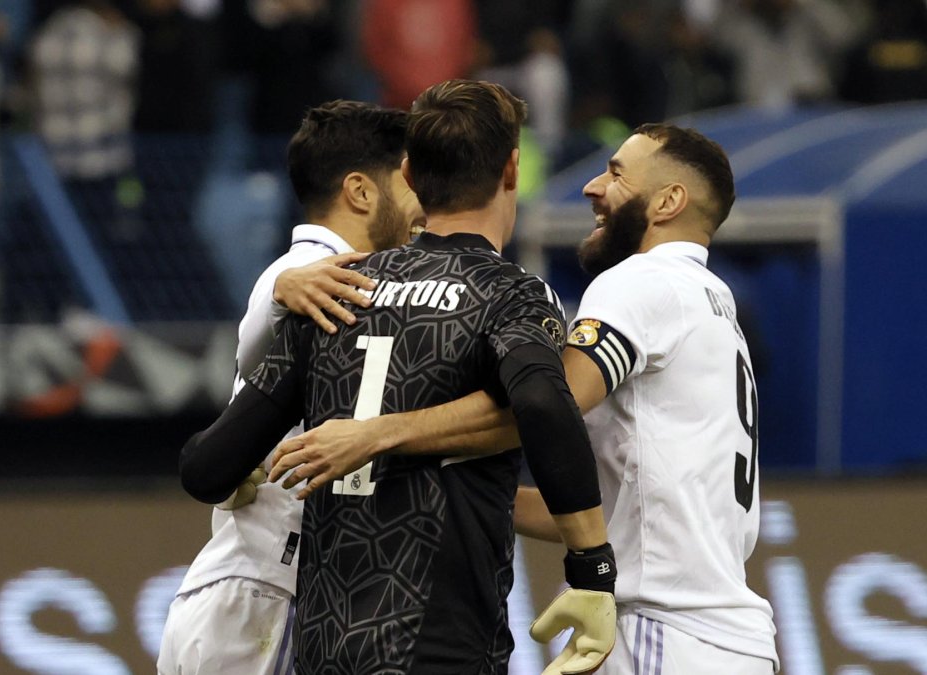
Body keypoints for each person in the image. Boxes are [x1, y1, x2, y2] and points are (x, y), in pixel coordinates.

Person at [272, 123, 780, 673]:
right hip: (723, 635)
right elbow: (621, 509)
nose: (591, 187)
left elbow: (544, 408)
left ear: (668, 201)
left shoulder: (640, 281)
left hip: (664, 628)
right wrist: (467, 488)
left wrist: (376, 433)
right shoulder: (713, 302)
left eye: (614, 174)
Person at [178, 80, 618, 675]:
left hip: (325, 641)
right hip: (441, 637)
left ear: (408, 175)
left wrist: (244, 467)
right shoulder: (510, 292)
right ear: (512, 168)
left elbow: (206, 468)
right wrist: (591, 568)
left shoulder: (339, 288)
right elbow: (542, 403)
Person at [157, 100, 425, 675]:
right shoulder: (309, 271)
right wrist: (282, 291)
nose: (422, 201)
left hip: (261, 592)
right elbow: (260, 335)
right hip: (260, 597)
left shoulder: (341, 275)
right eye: (409, 180)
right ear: (361, 191)